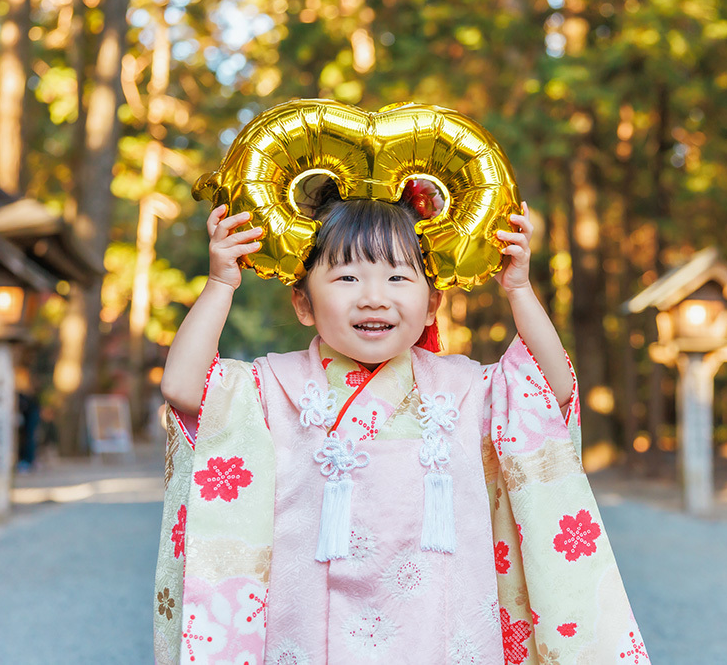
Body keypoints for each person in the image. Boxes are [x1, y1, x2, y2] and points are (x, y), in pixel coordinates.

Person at [154, 185, 647, 664]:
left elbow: (548, 386)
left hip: (439, 626)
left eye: (398, 277)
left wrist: (518, 289)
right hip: (305, 626)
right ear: (303, 303)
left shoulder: (463, 388)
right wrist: (221, 284)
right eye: (347, 278)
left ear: (432, 303)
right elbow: (183, 387)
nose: (374, 297)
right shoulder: (273, 387)